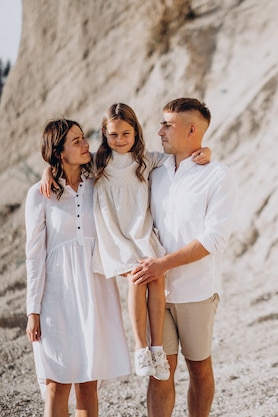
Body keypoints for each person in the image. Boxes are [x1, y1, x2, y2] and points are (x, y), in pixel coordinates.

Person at [40, 103, 212, 381]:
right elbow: (65, 165)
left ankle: (157, 345)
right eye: (113, 135)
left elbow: (180, 159)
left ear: (136, 133)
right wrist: (47, 172)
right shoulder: (98, 162)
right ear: (104, 135)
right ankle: (141, 348)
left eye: (126, 134)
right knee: (137, 278)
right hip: (115, 237)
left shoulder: (147, 159)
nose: (119, 140)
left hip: (140, 233)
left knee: (156, 278)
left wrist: (207, 151)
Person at [130, 98, 237, 417]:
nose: (159, 130)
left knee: (199, 369)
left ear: (192, 129)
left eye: (168, 124)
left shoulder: (217, 176)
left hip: (197, 291)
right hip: (156, 292)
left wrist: (163, 264)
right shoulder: (153, 170)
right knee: (159, 371)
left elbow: (214, 238)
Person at [25, 118, 131, 416]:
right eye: (76, 141)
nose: (86, 144)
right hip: (56, 296)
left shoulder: (98, 181)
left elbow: (133, 157)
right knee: (56, 383)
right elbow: (33, 255)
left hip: (95, 290)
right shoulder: (39, 194)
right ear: (58, 152)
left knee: (88, 381)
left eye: (84, 138)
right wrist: (33, 310)